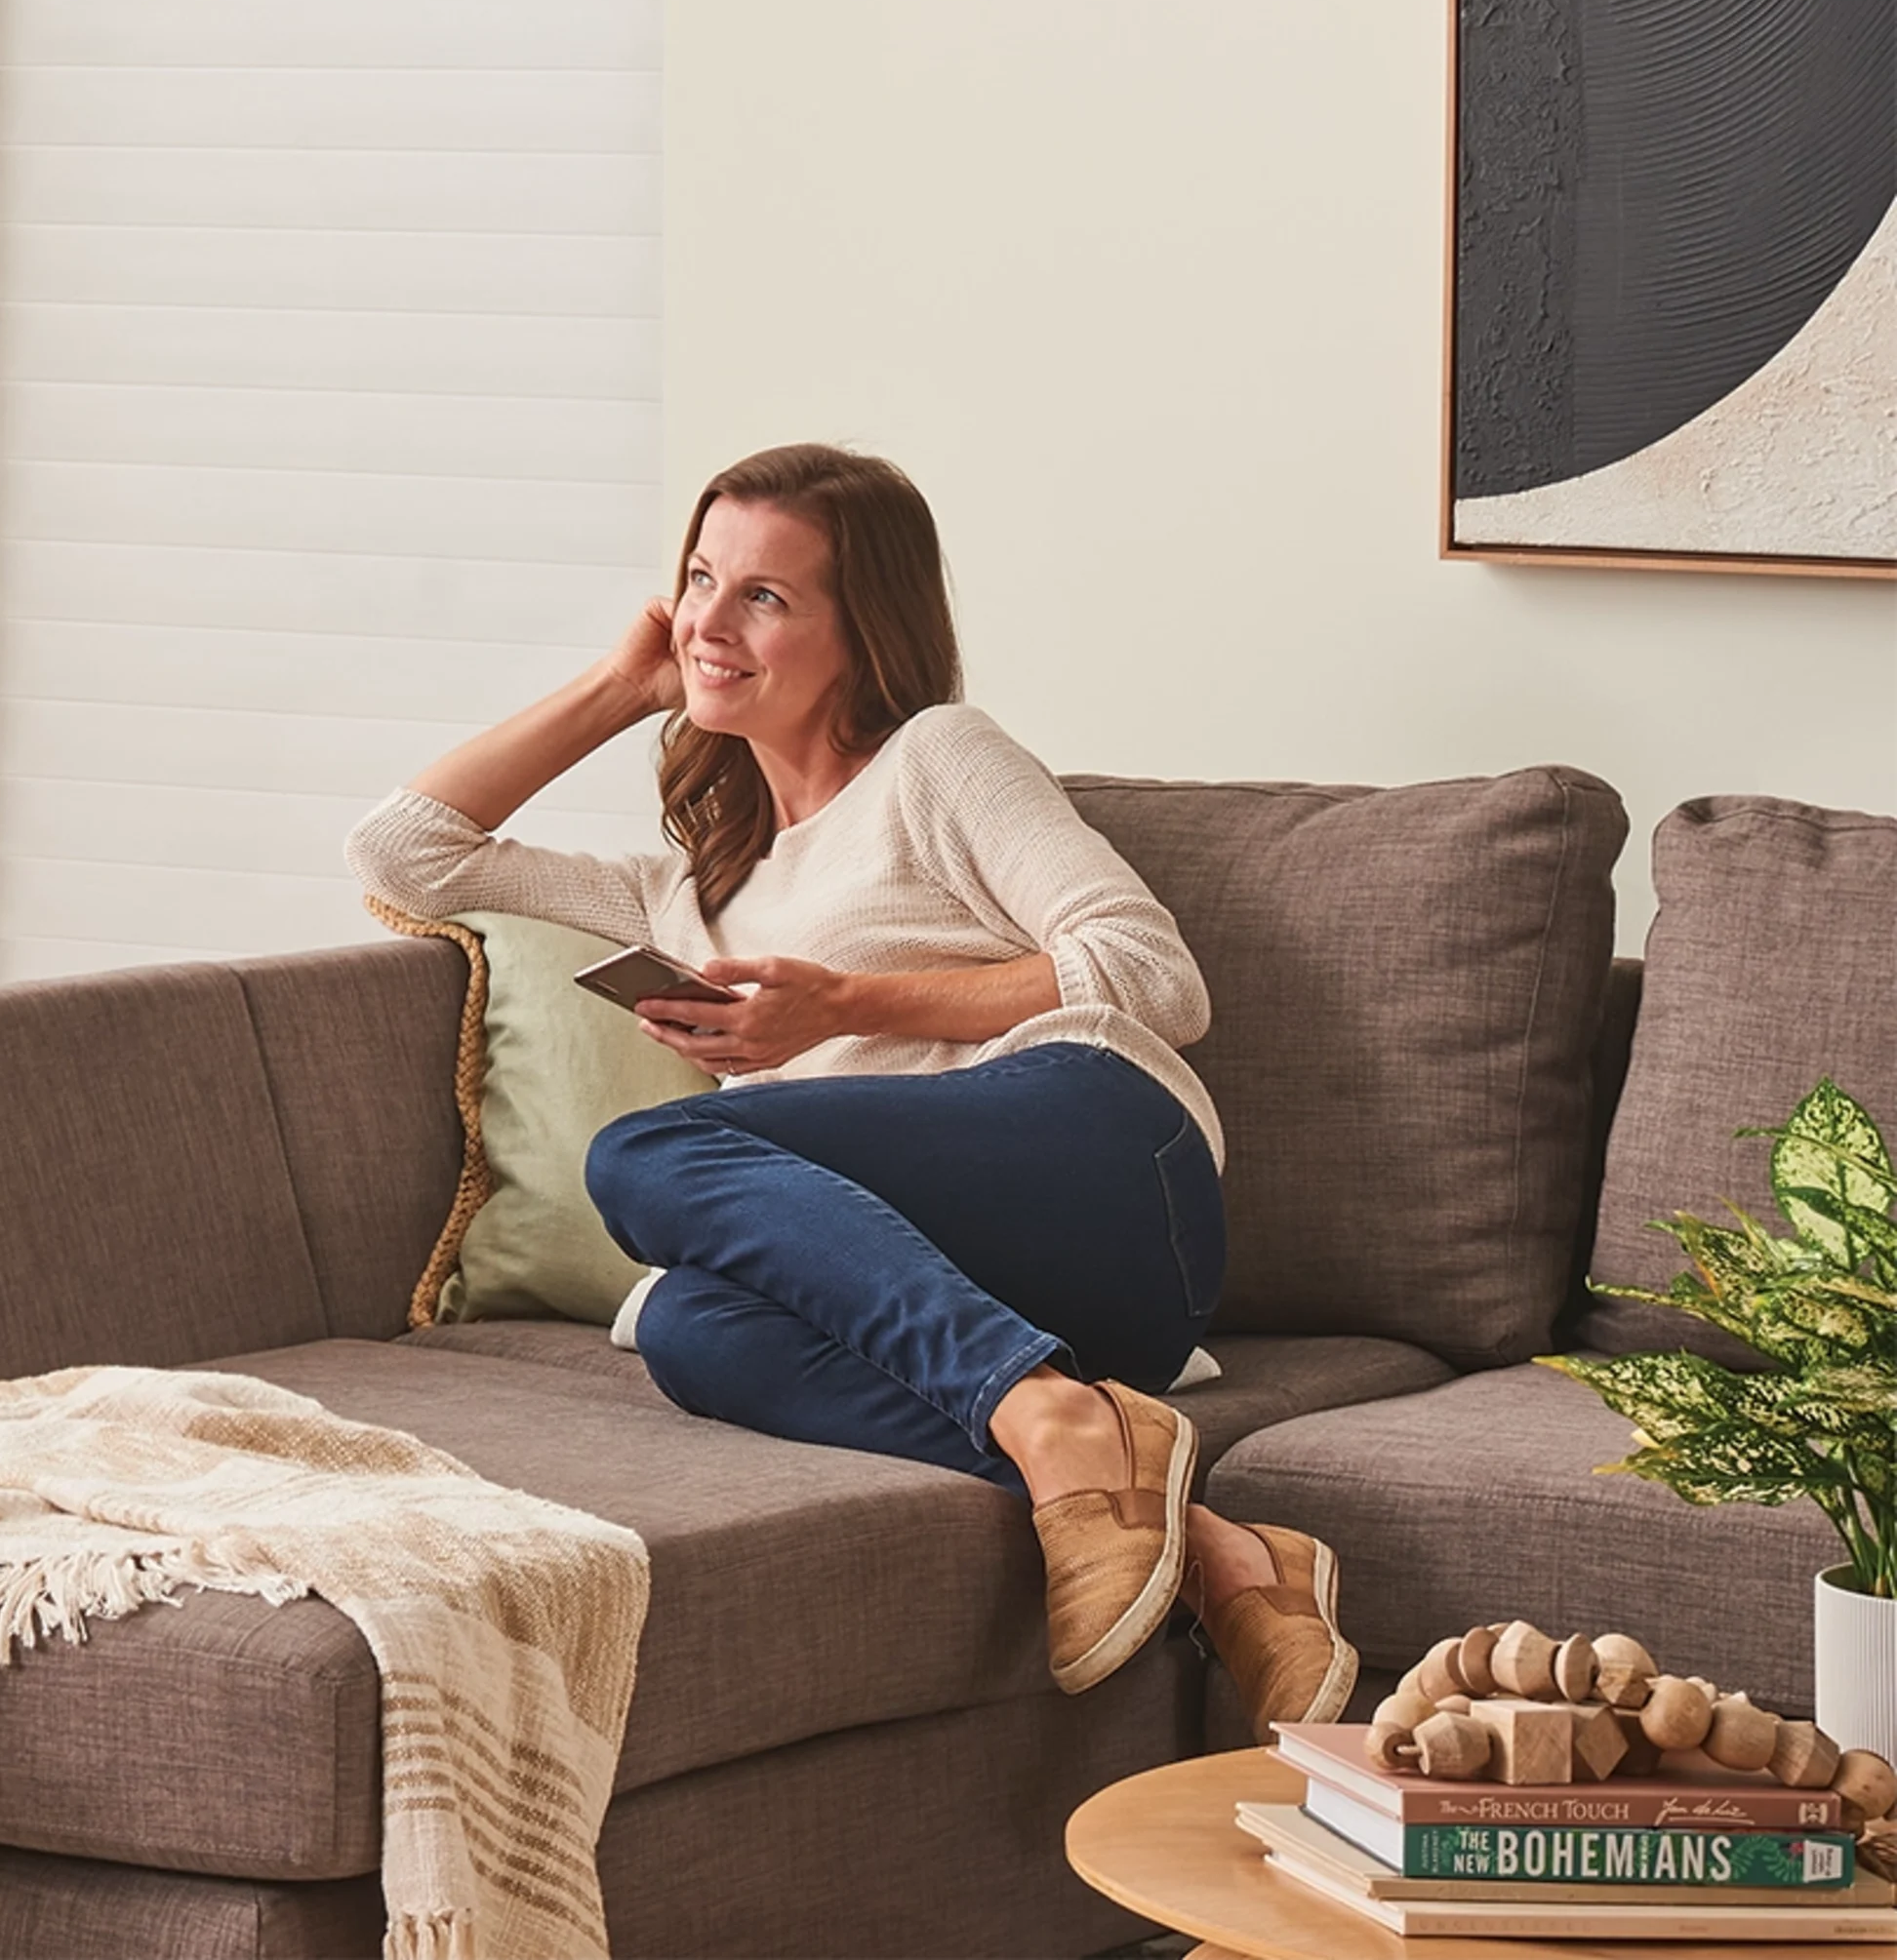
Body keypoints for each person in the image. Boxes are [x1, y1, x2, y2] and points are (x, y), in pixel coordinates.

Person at [343, 441, 1350, 1731]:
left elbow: (1152, 976)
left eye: (764, 596)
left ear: (864, 635)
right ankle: (1178, 1517)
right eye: (699, 579)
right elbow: (405, 854)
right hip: (1013, 1305)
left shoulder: (936, 760)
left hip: (1108, 1167)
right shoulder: (681, 895)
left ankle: (1065, 1428)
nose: (713, 620)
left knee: (650, 1156)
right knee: (691, 1328)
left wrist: (845, 1006)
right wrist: (625, 683)